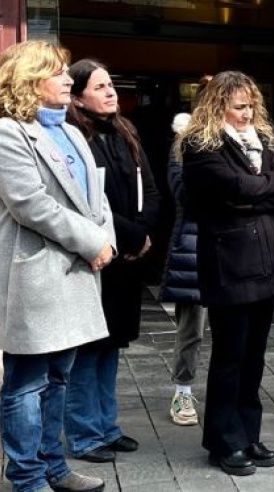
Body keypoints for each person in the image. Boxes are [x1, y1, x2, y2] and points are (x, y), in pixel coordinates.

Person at [0, 40, 115, 492]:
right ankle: (27, 477)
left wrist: (106, 239)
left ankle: (54, 467)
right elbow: (31, 204)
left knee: (59, 377)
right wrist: (93, 242)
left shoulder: (68, 129)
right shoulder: (8, 133)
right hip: (37, 275)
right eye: (58, 72)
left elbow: (94, 196)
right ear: (29, 80)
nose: (69, 79)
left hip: (77, 271)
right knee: (27, 383)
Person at [180, 70, 274, 476]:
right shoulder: (200, 145)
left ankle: (248, 433)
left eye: (251, 105)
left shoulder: (261, 141)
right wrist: (260, 188)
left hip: (265, 260)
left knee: (255, 358)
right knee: (230, 356)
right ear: (218, 105)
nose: (247, 113)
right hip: (229, 263)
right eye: (238, 106)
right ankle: (222, 440)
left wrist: (253, 189)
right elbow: (228, 189)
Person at [65, 59, 160, 464]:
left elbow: (151, 189)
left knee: (111, 347)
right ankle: (85, 435)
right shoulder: (74, 138)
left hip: (129, 259)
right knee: (89, 349)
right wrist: (131, 235)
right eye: (100, 87)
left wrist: (145, 231)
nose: (110, 93)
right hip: (97, 256)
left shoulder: (126, 131)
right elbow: (88, 203)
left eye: (111, 86)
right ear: (78, 96)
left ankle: (107, 426)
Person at [160, 75, 211, 427]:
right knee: (191, 328)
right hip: (193, 246)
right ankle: (183, 390)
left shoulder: (245, 139)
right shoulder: (184, 143)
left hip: (235, 249)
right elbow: (186, 194)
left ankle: (227, 390)